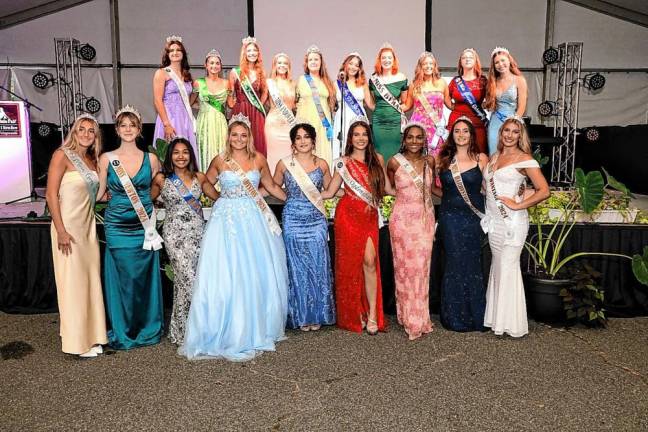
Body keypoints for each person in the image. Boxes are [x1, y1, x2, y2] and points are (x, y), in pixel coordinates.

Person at [180, 114, 288, 361]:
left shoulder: (258, 158)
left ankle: (254, 325)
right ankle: (224, 326)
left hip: (253, 218)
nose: (238, 139)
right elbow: (205, 181)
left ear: (249, 137)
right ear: (228, 136)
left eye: (243, 134)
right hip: (225, 219)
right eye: (234, 134)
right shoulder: (220, 160)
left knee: (253, 270)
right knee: (226, 270)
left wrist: (292, 200)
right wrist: (218, 199)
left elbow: (270, 186)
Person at [97, 106, 164, 350]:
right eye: (123, 125)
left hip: (143, 227)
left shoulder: (152, 159)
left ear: (139, 130)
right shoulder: (107, 158)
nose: (127, 129)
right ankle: (123, 329)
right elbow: (100, 193)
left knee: (142, 278)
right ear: (116, 129)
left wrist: (151, 198)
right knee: (123, 278)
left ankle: (146, 328)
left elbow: (157, 186)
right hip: (117, 226)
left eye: (132, 125)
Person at [46, 114, 107, 358]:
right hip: (68, 228)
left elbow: (92, 194)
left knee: (90, 281)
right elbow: (51, 195)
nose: (85, 134)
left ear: (95, 137)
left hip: (87, 226)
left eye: (90, 131)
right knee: (72, 284)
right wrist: (60, 230)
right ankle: (76, 343)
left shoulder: (92, 160)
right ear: (74, 131)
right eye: (81, 129)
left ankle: (93, 336)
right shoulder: (61, 155)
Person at [482, 116, 549, 337]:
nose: (510, 135)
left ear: (521, 135)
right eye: (506, 131)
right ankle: (496, 320)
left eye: (515, 131)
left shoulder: (525, 159)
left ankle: (512, 324)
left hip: (513, 222)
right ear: (500, 134)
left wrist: (519, 204)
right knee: (499, 267)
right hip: (495, 222)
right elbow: (490, 187)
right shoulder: (494, 157)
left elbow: (543, 190)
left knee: (509, 268)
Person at [322, 119, 388, 335]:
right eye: (356, 134)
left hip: (368, 217)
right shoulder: (342, 163)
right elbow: (331, 191)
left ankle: (371, 315)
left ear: (369, 138)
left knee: (369, 262)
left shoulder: (377, 159)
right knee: (350, 265)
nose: (360, 138)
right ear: (350, 138)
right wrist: (303, 194)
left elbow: (386, 188)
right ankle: (354, 312)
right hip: (347, 215)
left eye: (364, 134)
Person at [150, 138, 219, 345]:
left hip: (198, 233)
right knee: (188, 279)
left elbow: (218, 197)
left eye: (185, 152)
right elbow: (147, 199)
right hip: (175, 235)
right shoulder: (162, 178)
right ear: (170, 156)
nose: (181, 156)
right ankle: (198, 328)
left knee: (189, 281)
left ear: (191, 155)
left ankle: (182, 332)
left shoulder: (199, 176)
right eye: (176, 152)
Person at [273, 122, 335, 331]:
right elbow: (273, 185)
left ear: (313, 140)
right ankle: (301, 314)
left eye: (306, 136)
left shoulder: (323, 164)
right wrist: (289, 199)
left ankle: (317, 313)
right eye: (298, 137)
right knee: (297, 266)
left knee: (317, 263)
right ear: (293, 143)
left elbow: (330, 189)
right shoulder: (284, 164)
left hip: (316, 218)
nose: (302, 141)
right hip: (292, 218)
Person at [386, 122, 439, 340]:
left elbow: (432, 189)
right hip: (401, 220)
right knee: (404, 270)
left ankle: (420, 317)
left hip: (424, 219)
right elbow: (389, 187)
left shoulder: (430, 161)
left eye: (419, 137)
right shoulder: (394, 162)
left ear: (424, 140)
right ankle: (408, 317)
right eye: (410, 137)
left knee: (421, 269)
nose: (415, 141)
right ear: (404, 139)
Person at [436, 116, 489, 332]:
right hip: (450, 218)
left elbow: (489, 187)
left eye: (465, 131)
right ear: (452, 134)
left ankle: (476, 316)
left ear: (471, 134)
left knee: (472, 264)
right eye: (457, 131)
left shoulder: (482, 158)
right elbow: (432, 187)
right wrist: (449, 199)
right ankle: (453, 316)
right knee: (454, 264)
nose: (461, 134)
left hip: (473, 218)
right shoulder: (443, 159)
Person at [152, 36, 198, 166]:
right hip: (169, 118)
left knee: (185, 151)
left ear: (183, 53)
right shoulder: (161, 73)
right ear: (167, 54)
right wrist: (166, 124)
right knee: (170, 151)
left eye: (178, 50)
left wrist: (197, 92)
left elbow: (188, 102)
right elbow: (157, 100)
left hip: (184, 118)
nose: (175, 52)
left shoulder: (187, 75)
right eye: (171, 50)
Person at [295, 45, 336, 166]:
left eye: (316, 59)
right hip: (307, 120)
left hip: (323, 124)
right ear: (306, 63)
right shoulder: (301, 80)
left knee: (323, 152)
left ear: (321, 62)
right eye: (310, 60)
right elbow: (295, 102)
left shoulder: (327, 81)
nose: (313, 62)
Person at [402, 52, 448, 156]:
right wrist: (390, 106)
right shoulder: (414, 85)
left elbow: (450, 104)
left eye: (431, 64)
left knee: (437, 158)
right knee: (418, 156)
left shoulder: (442, 83)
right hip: (419, 126)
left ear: (435, 66)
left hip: (437, 128)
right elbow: (407, 106)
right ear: (420, 66)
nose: (428, 66)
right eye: (425, 64)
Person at [228, 36, 268, 156]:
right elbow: (230, 93)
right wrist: (234, 105)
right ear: (244, 53)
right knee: (239, 142)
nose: (252, 53)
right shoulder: (235, 72)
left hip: (256, 112)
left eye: (254, 51)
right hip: (241, 111)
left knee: (257, 142)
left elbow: (265, 92)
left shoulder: (262, 72)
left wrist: (258, 105)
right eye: (249, 50)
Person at [484, 47, 528, 155]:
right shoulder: (492, 81)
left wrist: (514, 123)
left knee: (511, 153)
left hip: (512, 120)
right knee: (494, 151)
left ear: (509, 60)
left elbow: (522, 106)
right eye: (496, 62)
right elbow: (488, 104)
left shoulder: (519, 80)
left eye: (503, 60)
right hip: (495, 121)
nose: (500, 64)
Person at [369, 43, 408, 161]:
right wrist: (381, 111)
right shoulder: (373, 79)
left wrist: (394, 111)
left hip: (395, 121)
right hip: (378, 121)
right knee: (379, 152)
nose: (387, 60)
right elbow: (372, 102)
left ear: (394, 60)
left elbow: (405, 103)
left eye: (389, 57)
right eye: (383, 58)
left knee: (395, 153)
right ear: (379, 60)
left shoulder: (401, 78)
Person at [445, 48, 488, 154]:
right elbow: (446, 97)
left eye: (470, 57)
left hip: (477, 122)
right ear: (460, 62)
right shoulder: (455, 81)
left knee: (479, 153)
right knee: (454, 153)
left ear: (475, 61)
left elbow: (491, 98)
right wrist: (454, 107)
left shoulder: (483, 81)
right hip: (456, 121)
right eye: (464, 58)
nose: (467, 59)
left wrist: (483, 106)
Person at [333, 52, 373, 160]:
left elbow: (371, 105)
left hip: (358, 118)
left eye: (357, 65)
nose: (353, 67)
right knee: (341, 148)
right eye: (351, 63)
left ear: (360, 68)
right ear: (345, 64)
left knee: (359, 149)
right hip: (341, 121)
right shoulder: (337, 84)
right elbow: (331, 105)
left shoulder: (363, 83)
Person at [194, 49, 228, 171]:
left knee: (222, 149)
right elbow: (190, 103)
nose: (214, 66)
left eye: (217, 63)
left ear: (220, 66)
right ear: (206, 65)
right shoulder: (199, 83)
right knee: (205, 149)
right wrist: (204, 107)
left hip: (220, 122)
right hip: (204, 123)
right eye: (211, 63)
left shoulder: (227, 83)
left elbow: (230, 105)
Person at [265, 53, 296, 173]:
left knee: (289, 155)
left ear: (289, 66)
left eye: (285, 63)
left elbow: (294, 105)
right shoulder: (269, 83)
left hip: (289, 124)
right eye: (279, 63)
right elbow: (263, 101)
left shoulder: (293, 84)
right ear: (274, 65)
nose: (282, 65)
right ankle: (273, 186)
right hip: (273, 125)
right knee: (273, 156)